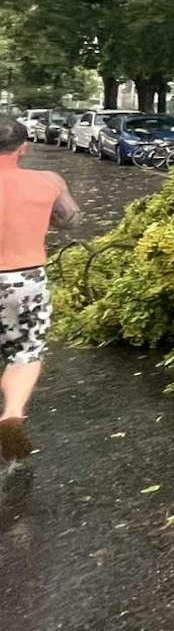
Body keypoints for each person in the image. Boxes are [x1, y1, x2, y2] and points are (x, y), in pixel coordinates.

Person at [0, 117, 80, 463]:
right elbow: (71, 221)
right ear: (23, 148)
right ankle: (13, 412)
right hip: (26, 280)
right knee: (26, 352)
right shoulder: (48, 181)